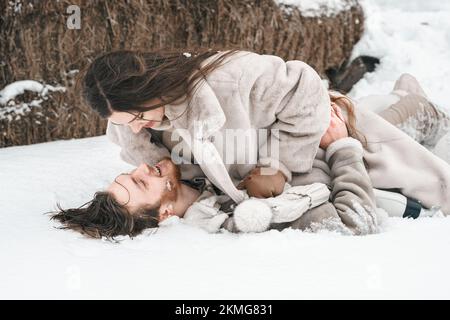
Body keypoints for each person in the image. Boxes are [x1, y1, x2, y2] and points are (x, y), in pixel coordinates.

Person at [81, 48, 450, 218]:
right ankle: (404, 93)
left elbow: (305, 87)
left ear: (152, 88)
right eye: (123, 123)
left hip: (331, 127)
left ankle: (419, 103)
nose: (135, 127)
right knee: (389, 107)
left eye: (139, 115)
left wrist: (279, 166)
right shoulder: (138, 127)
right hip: (319, 139)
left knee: (417, 133)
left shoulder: (227, 80)